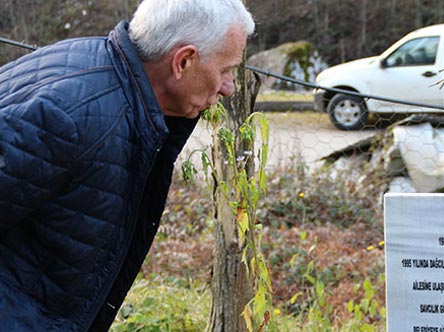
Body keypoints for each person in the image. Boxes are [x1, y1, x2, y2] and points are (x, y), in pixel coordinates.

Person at [0, 0, 255, 330]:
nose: (229, 87)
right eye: (226, 69)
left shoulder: (113, 82)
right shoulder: (72, 118)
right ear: (184, 61)